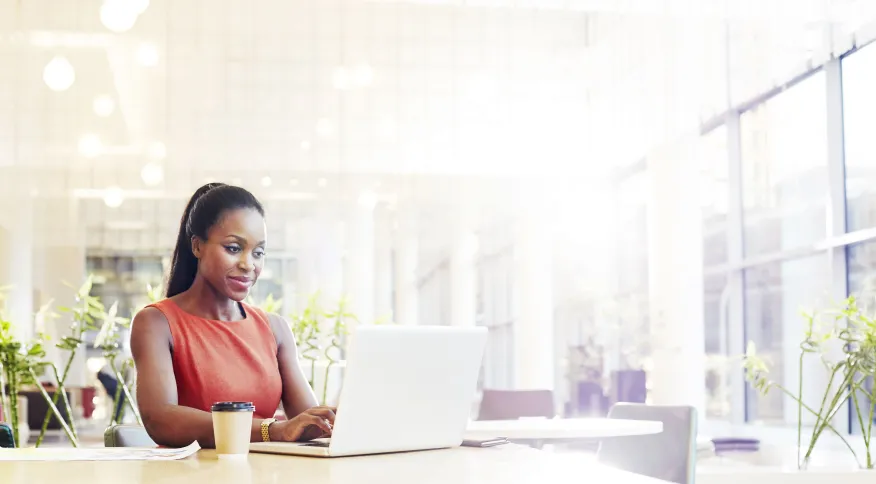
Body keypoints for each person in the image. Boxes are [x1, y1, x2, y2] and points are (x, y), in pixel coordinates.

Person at [131, 183, 336, 448]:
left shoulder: (275, 329)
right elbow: (160, 419)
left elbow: (308, 424)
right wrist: (271, 430)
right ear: (197, 246)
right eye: (233, 248)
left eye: (258, 252)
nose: (248, 264)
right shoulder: (157, 323)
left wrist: (334, 420)